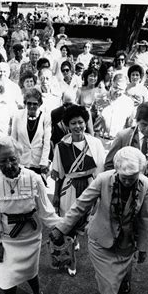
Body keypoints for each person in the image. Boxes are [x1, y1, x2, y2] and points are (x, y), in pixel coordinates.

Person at [50, 146, 148, 294]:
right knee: (108, 290)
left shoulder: (146, 184)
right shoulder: (103, 179)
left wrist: (143, 247)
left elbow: (145, 217)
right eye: (124, 176)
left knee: (122, 274)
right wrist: (61, 228)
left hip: (127, 244)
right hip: (101, 243)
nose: (128, 180)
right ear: (116, 170)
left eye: (133, 176)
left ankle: (125, 277)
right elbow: (80, 205)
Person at [0, 137, 60, 294]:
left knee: (31, 272)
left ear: (19, 157)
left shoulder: (34, 179)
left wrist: (61, 228)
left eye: (12, 159)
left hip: (31, 238)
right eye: (3, 161)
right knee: (5, 277)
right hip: (7, 239)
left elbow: (45, 209)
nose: (9, 165)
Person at [51, 105, 106, 275]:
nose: (77, 126)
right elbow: (59, 174)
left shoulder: (95, 143)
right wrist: (55, 195)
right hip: (69, 187)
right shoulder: (61, 146)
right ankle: (71, 260)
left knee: (86, 221)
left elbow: (101, 171)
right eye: (73, 123)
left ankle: (76, 241)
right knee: (69, 222)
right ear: (67, 125)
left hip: (90, 185)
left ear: (85, 122)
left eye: (80, 122)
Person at [105, 102, 148, 217]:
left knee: (144, 225)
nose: (147, 129)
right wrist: (110, 191)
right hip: (123, 190)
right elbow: (109, 165)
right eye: (144, 124)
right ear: (137, 121)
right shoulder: (123, 136)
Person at [11, 88, 52, 176]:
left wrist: (44, 162)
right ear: (25, 103)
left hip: (38, 162)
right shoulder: (18, 116)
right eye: (29, 103)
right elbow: (13, 140)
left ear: (40, 104)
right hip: (21, 162)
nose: (32, 106)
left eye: (35, 104)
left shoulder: (45, 117)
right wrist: (14, 160)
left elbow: (47, 142)